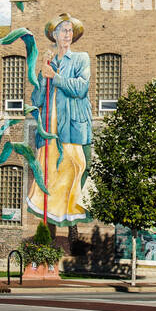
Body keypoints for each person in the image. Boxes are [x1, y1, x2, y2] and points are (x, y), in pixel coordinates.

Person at [26, 13, 93, 225]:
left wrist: (56, 77)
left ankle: (72, 214)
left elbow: (81, 88)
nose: (67, 34)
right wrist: (44, 76)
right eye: (63, 30)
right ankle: (50, 211)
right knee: (49, 168)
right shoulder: (49, 62)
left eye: (70, 30)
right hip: (49, 128)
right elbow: (36, 98)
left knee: (74, 165)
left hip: (71, 125)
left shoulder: (81, 59)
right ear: (54, 35)